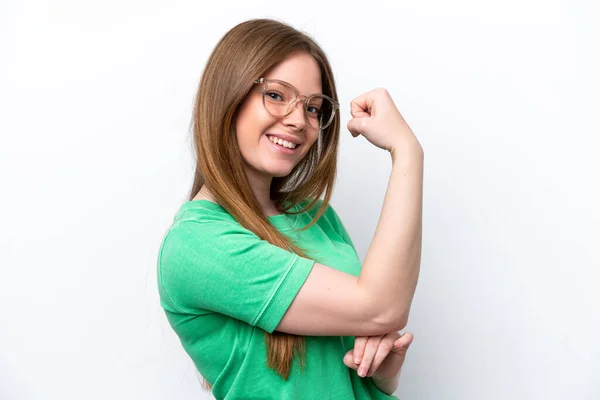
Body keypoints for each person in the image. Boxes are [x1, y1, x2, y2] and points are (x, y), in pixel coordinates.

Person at [157, 18, 423, 399]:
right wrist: (407, 151)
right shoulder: (197, 244)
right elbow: (382, 308)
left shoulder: (315, 215)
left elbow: (358, 352)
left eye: (314, 108)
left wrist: (383, 372)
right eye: (277, 95)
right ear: (228, 96)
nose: (300, 120)